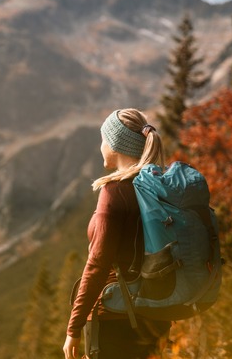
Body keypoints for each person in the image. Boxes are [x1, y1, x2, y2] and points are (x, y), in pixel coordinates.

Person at [63, 108, 171, 359]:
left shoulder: (114, 192)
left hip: (115, 318)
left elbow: (98, 264)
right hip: (157, 313)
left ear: (115, 143)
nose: (101, 146)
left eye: (103, 139)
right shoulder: (159, 187)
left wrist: (74, 327)